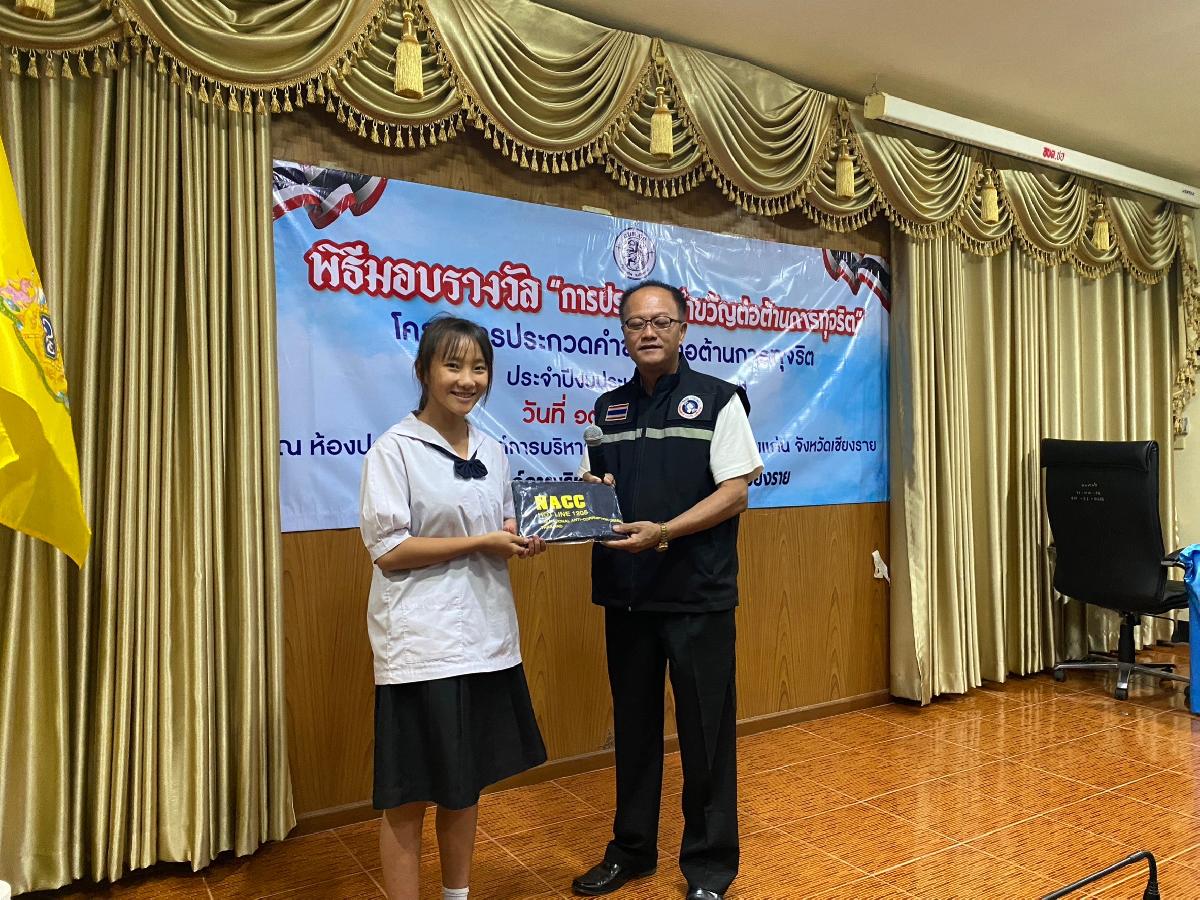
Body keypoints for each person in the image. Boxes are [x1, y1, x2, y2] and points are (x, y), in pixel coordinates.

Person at [572, 280, 763, 900]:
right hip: (626, 597)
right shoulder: (607, 410)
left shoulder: (719, 400)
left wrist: (665, 533)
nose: (648, 332)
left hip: (697, 596)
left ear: (683, 328)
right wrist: (586, 497)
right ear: (623, 334)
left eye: (660, 321)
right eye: (635, 323)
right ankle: (632, 850)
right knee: (633, 732)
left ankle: (708, 867)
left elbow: (735, 493)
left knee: (706, 736)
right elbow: (592, 492)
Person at [359, 314, 548, 900]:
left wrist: (522, 534)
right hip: (422, 645)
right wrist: (480, 542)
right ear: (423, 371)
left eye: (479, 367)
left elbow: (501, 522)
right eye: (453, 365)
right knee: (408, 796)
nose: (468, 379)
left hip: (486, 640)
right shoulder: (395, 450)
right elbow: (389, 551)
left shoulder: (493, 449)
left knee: (465, 786)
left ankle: (456, 896)